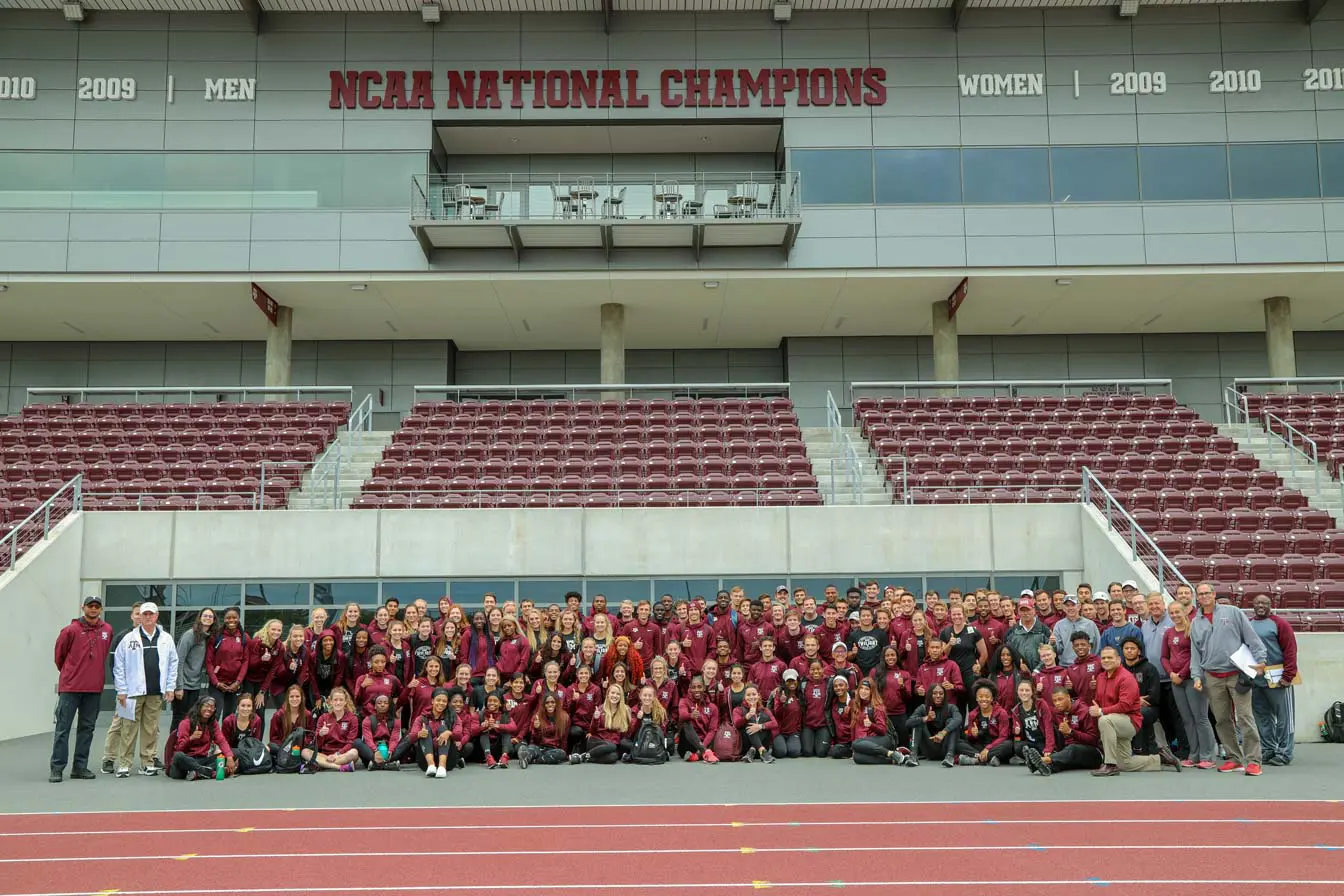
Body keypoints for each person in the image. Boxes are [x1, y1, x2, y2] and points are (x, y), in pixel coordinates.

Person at [1189, 582, 1267, 776]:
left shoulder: (1233, 612)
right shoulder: (1195, 622)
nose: (1204, 596)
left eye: (1208, 593)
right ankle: (1234, 758)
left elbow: (1251, 637)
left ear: (1214, 594)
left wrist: (1262, 659)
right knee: (1222, 720)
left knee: (1245, 718)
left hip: (1236, 674)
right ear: (1197, 598)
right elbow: (1195, 653)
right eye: (1201, 594)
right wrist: (1196, 676)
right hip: (1212, 677)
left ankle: (1253, 761)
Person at [110, 601, 179, 778]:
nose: (147, 617)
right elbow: (119, 666)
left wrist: (170, 687)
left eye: (151, 614)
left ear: (156, 616)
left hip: (155, 692)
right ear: (139, 616)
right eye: (144, 614)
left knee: (151, 729)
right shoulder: (128, 639)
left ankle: (147, 763)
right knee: (128, 729)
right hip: (132, 693)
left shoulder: (166, 639)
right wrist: (121, 690)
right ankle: (124, 764)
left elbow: (173, 664)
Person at [1089, 646, 1180, 777]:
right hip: (1113, 723)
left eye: (1110, 657)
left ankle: (1109, 765)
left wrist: (1101, 711)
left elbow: (1125, 706)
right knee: (1125, 764)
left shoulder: (1126, 678)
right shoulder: (1100, 678)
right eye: (1103, 658)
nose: (1106, 660)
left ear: (1118, 659)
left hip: (1130, 722)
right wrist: (1096, 707)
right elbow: (1099, 701)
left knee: (1104, 719)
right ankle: (1160, 758)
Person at [51, 596, 114, 783]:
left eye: (97, 606)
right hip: (70, 688)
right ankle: (57, 768)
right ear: (83, 607)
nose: (93, 609)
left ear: (101, 609)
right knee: (63, 729)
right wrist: (71, 673)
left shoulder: (107, 630)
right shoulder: (70, 630)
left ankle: (79, 767)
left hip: (93, 689)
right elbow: (59, 657)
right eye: (90, 606)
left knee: (87, 729)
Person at [1162, 600, 1216, 769]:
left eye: (1178, 612)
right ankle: (1194, 754)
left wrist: (1182, 674)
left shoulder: (1192, 630)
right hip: (1176, 681)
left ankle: (1208, 755)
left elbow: (1196, 655)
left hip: (1193, 678)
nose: (1175, 616)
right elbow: (1164, 656)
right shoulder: (1169, 633)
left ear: (1185, 611)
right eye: (1171, 613)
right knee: (1187, 719)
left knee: (1200, 717)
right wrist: (1171, 673)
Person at [1248, 594, 1298, 767]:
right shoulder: (1249, 624)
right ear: (1252, 605)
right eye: (1258, 603)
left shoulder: (1280, 624)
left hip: (1278, 678)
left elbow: (1290, 649)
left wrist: (1288, 675)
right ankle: (1268, 749)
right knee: (1262, 717)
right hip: (1257, 681)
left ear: (1271, 605)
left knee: (1284, 717)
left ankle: (1285, 752)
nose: (1261, 605)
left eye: (1265, 603)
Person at [165, 608, 214, 770]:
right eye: (205, 615)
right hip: (183, 686)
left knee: (191, 720)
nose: (207, 618)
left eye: (210, 616)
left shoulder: (206, 637)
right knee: (179, 720)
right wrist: (178, 686)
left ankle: (186, 753)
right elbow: (178, 660)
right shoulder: (190, 635)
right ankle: (171, 755)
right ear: (200, 618)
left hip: (195, 686)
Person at [100, 603, 142, 775]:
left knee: (150, 728)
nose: (140, 617)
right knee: (119, 724)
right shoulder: (122, 637)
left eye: (143, 613)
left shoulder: (156, 637)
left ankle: (150, 758)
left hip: (147, 691)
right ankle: (109, 758)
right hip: (128, 692)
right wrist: (121, 688)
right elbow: (114, 664)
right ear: (132, 616)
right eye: (137, 614)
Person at [1026, 686, 1103, 776]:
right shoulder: (1056, 713)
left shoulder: (1084, 711)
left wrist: (1071, 732)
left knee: (1073, 749)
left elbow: (1093, 740)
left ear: (1068, 697)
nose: (1057, 703)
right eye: (1054, 701)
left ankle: (1044, 760)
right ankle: (1045, 767)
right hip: (1067, 754)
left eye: (1060, 699)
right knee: (1064, 753)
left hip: (1092, 755)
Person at [168, 696, 232, 781]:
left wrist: (230, 757)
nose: (209, 709)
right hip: (185, 763)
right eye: (206, 706)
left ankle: (197, 773)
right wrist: (191, 738)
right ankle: (209, 773)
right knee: (178, 756)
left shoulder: (213, 723)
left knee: (232, 753)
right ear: (199, 707)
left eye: (212, 707)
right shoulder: (186, 723)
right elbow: (180, 748)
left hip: (202, 760)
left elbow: (221, 740)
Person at [571, 684, 634, 765]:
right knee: (612, 746)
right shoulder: (601, 709)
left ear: (621, 697)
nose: (615, 696)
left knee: (613, 757)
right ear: (608, 695)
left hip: (611, 745)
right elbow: (592, 731)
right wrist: (596, 719)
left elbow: (626, 733)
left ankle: (586, 757)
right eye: (613, 693)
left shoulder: (625, 710)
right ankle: (584, 756)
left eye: (618, 694)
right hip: (597, 741)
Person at [956, 681, 1011, 767]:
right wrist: (974, 735)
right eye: (980, 696)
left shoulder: (1001, 713)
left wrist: (988, 748)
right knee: (958, 743)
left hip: (995, 746)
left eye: (987, 697)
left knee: (1009, 745)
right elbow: (971, 739)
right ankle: (985, 758)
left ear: (992, 698)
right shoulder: (973, 714)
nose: (984, 699)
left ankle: (975, 759)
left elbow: (1003, 737)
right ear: (976, 698)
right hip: (979, 746)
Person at [306, 686, 360, 773]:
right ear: (330, 701)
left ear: (345, 701)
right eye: (335, 700)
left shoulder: (352, 718)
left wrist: (337, 754)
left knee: (354, 753)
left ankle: (320, 765)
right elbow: (317, 745)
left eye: (341, 700)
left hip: (342, 754)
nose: (338, 703)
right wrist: (320, 734)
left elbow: (350, 742)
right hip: (324, 755)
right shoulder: (323, 718)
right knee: (305, 751)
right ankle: (339, 767)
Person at [909, 682, 961, 768]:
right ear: (930, 695)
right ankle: (913, 756)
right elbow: (908, 722)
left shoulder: (951, 707)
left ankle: (950, 756)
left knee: (952, 721)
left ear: (945, 695)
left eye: (941, 693)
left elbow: (958, 719)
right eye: (935, 693)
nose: (938, 696)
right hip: (929, 747)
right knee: (917, 721)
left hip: (945, 747)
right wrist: (926, 718)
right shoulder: (923, 708)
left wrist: (943, 732)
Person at [411, 687, 458, 778]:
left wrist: (449, 733)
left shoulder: (452, 716)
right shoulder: (422, 718)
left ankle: (441, 766)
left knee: (443, 730)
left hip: (448, 760)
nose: (441, 703)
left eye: (444, 701)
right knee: (426, 730)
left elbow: (459, 735)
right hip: (425, 762)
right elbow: (411, 737)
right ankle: (431, 765)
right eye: (438, 700)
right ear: (432, 701)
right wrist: (419, 734)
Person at [677, 675, 720, 764]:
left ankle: (696, 756)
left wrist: (702, 746)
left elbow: (712, 730)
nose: (696, 690)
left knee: (714, 733)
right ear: (690, 688)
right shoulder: (684, 701)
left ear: (704, 688)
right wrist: (690, 715)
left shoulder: (713, 707)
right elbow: (682, 716)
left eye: (699, 687)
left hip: (704, 741)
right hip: (688, 744)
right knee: (686, 723)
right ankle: (705, 753)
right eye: (694, 687)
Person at [733, 684, 779, 763]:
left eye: (754, 694)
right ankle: (762, 751)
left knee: (765, 720)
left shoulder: (764, 710)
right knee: (750, 720)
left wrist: (760, 726)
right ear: (744, 697)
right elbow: (736, 724)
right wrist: (747, 717)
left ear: (758, 696)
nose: (751, 697)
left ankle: (753, 750)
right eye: (748, 695)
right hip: (745, 746)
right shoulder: (738, 709)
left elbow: (775, 723)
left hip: (763, 744)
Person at [1004, 596, 1051, 672]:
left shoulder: (1044, 629)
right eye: (1022, 610)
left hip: (1042, 673)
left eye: (1028, 610)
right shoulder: (1011, 631)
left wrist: (1038, 670)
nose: (1025, 613)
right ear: (1018, 612)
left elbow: (1050, 652)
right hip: (1019, 673)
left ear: (1034, 610)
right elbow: (1008, 654)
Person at [1051, 595, 1098, 666]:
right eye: (1067, 605)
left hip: (1087, 665)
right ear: (1063, 608)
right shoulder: (1059, 625)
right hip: (1066, 666)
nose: (1070, 608)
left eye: (1073, 605)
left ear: (1079, 607)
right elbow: (1058, 650)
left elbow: (1096, 646)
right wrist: (1053, 644)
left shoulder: (1090, 624)